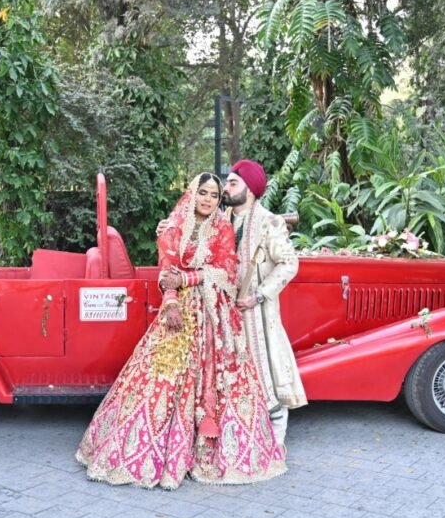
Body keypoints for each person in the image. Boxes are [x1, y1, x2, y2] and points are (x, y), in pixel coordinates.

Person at [76, 173, 286, 489]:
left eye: (214, 195)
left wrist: (187, 279)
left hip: (214, 317)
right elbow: (167, 271)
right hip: (180, 313)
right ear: (192, 194)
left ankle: (206, 451)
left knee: (216, 379)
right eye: (203, 193)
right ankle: (162, 453)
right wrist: (171, 303)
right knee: (163, 376)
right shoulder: (173, 227)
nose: (208, 200)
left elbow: (226, 272)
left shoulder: (222, 228)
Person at [160, 160, 306, 446]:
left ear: (250, 190)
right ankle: (244, 442)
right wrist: (167, 226)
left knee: (267, 377)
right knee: (232, 379)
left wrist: (260, 294)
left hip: (255, 312)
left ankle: (276, 446)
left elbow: (289, 263)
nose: (225, 188)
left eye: (233, 183)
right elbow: (191, 230)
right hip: (222, 313)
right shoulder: (221, 217)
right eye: (226, 183)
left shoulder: (269, 222)